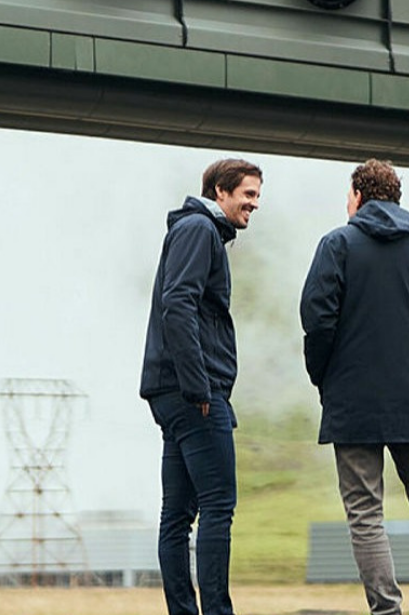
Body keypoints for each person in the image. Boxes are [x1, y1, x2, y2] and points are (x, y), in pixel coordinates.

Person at [299, 159, 409, 616]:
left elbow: (317, 321)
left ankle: (387, 611)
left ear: (357, 196)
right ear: (395, 197)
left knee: (365, 514)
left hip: (352, 402)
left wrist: (326, 378)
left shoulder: (337, 244)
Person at [141, 158, 261, 615]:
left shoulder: (196, 231)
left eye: (256, 196)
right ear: (220, 193)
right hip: (192, 392)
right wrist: (200, 387)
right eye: (247, 195)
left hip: (171, 390)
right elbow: (179, 304)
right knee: (217, 506)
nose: (254, 204)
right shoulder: (200, 230)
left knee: (176, 516)